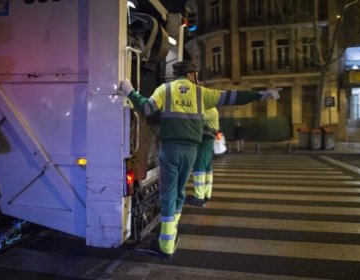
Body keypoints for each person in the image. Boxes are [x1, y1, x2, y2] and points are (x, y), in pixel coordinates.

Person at [120, 61, 281, 260]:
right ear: (190, 74)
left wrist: (130, 92)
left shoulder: (165, 89)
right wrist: (260, 95)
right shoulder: (202, 93)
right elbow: (233, 97)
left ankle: (165, 245)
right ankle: (171, 235)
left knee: (168, 194)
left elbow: (146, 108)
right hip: (191, 151)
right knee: (178, 192)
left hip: (170, 150)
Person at [185, 106, 219, 207]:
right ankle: (206, 194)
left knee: (199, 166)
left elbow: (196, 118)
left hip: (205, 141)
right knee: (207, 168)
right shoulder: (212, 109)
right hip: (207, 141)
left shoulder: (209, 109)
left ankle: (198, 197)